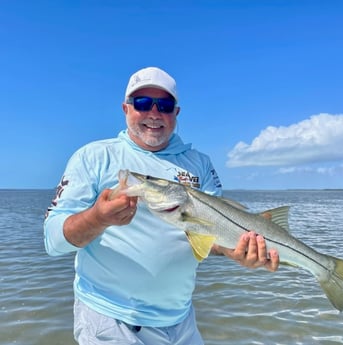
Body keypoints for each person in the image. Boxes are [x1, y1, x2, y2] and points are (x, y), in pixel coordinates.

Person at [44, 66, 280, 345]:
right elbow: (53, 241)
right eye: (142, 103)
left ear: (176, 113)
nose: (154, 113)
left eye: (165, 105)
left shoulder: (199, 163)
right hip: (111, 319)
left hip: (181, 321)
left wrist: (237, 252)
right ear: (126, 108)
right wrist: (98, 218)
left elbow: (211, 239)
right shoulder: (94, 157)